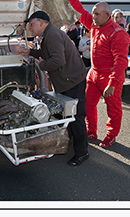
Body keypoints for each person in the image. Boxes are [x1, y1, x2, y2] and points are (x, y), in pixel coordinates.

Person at [17, 10, 89, 166]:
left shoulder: (52, 35)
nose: (30, 27)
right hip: (68, 80)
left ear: (41, 22)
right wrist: (30, 52)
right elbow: (45, 52)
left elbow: (57, 60)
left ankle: (82, 152)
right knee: (68, 115)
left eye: (31, 24)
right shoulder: (48, 34)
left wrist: (42, 64)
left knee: (76, 117)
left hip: (72, 81)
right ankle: (72, 142)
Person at [64, 0, 130, 147]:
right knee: (87, 104)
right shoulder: (95, 25)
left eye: (97, 14)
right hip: (94, 73)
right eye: (93, 13)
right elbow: (79, 10)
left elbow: (121, 61)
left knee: (113, 108)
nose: (93, 17)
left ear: (107, 15)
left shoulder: (118, 33)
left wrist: (113, 83)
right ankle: (92, 130)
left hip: (110, 75)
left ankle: (111, 135)